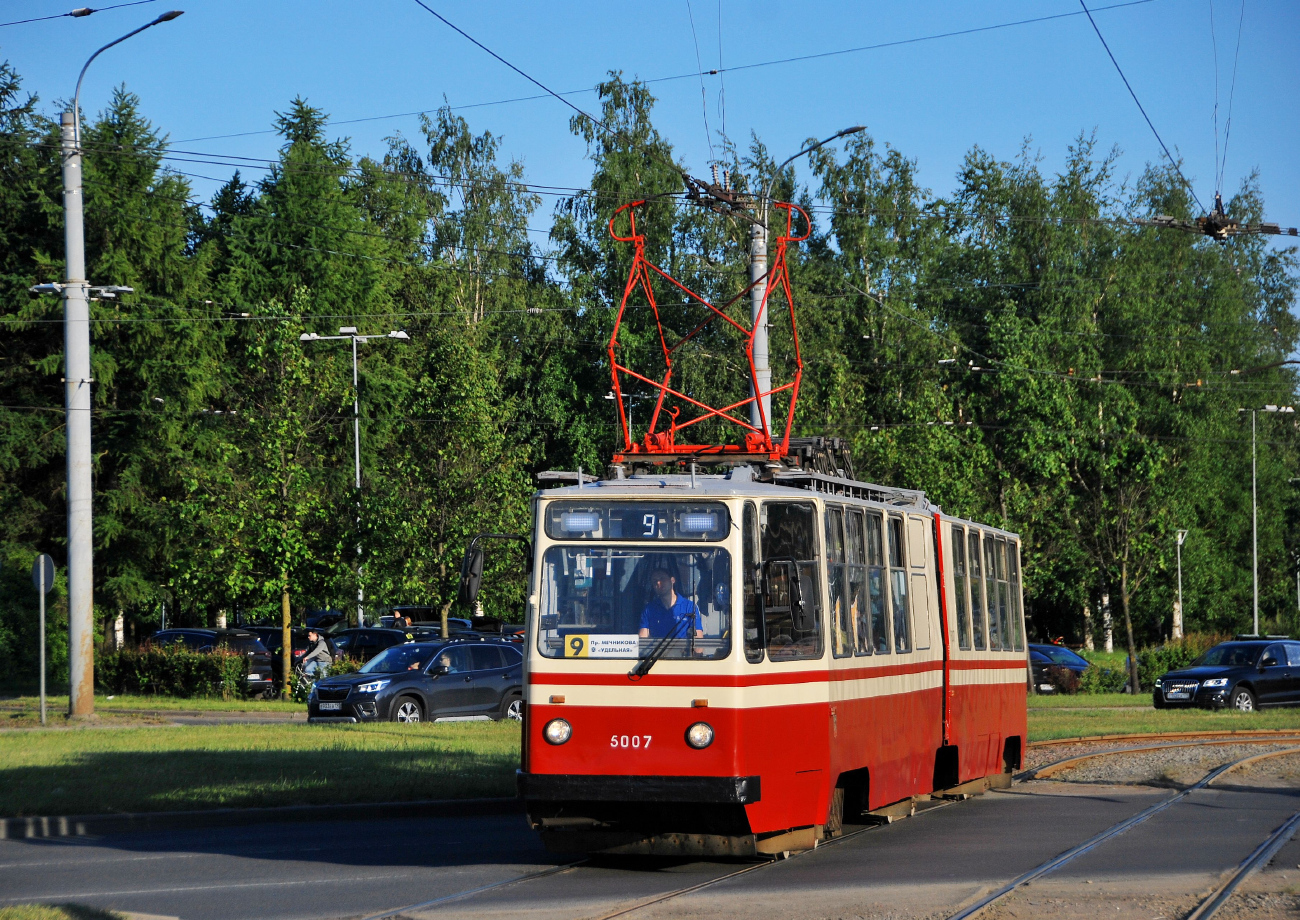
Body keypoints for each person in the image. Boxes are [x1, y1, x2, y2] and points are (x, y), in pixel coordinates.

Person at [639, 568, 703, 640]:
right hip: (657, 651)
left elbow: (698, 644)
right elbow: (642, 639)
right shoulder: (649, 609)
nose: (658, 583)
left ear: (672, 580)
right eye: (655, 581)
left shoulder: (689, 607)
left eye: (662, 579)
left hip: (683, 651)